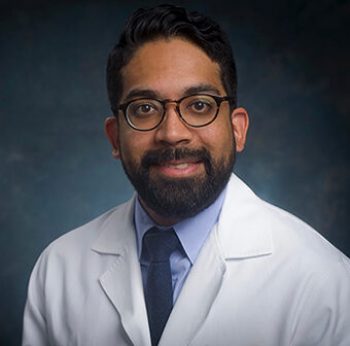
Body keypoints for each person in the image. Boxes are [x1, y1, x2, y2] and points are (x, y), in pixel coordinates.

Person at [22, 4, 350, 346]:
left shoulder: (324, 283)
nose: (173, 133)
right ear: (115, 137)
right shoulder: (59, 269)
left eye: (199, 105)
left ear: (237, 130)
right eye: (145, 109)